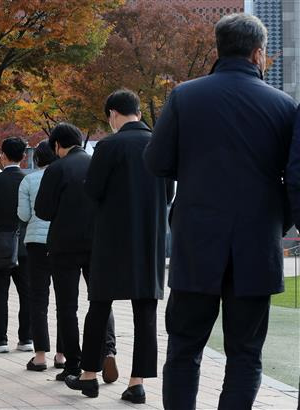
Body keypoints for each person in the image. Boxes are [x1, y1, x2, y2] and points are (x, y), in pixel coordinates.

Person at [145, 14, 297, 410]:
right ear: (259, 52)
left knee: (183, 348)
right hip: (257, 241)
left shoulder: (184, 96)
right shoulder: (284, 106)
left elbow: (157, 162)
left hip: (196, 238)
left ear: (217, 48)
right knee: (245, 353)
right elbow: (293, 176)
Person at [65, 90, 172, 402]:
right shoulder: (159, 144)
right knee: (145, 311)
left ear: (112, 113)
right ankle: (137, 383)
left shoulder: (109, 145)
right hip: (150, 239)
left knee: (99, 306)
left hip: (111, 238)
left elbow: (93, 190)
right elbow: (169, 193)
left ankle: (88, 376)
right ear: (138, 111)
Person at [35, 123, 117, 382]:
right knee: (101, 300)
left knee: (67, 307)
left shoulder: (57, 169)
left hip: (64, 246)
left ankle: (73, 364)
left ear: (57, 145)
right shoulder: (97, 163)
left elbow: (43, 211)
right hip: (98, 242)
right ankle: (107, 350)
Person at [0, 137, 33, 353]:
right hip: (25, 243)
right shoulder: (29, 180)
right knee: (27, 293)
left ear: (2, 156)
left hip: (0, 242)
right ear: (24, 157)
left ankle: (0, 338)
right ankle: (26, 338)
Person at [18, 140, 65, 371]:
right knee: (64, 300)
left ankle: (40, 356)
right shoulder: (64, 175)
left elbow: (24, 215)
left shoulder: (29, 180)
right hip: (61, 242)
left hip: (36, 243)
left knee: (38, 300)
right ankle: (61, 355)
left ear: (37, 158)